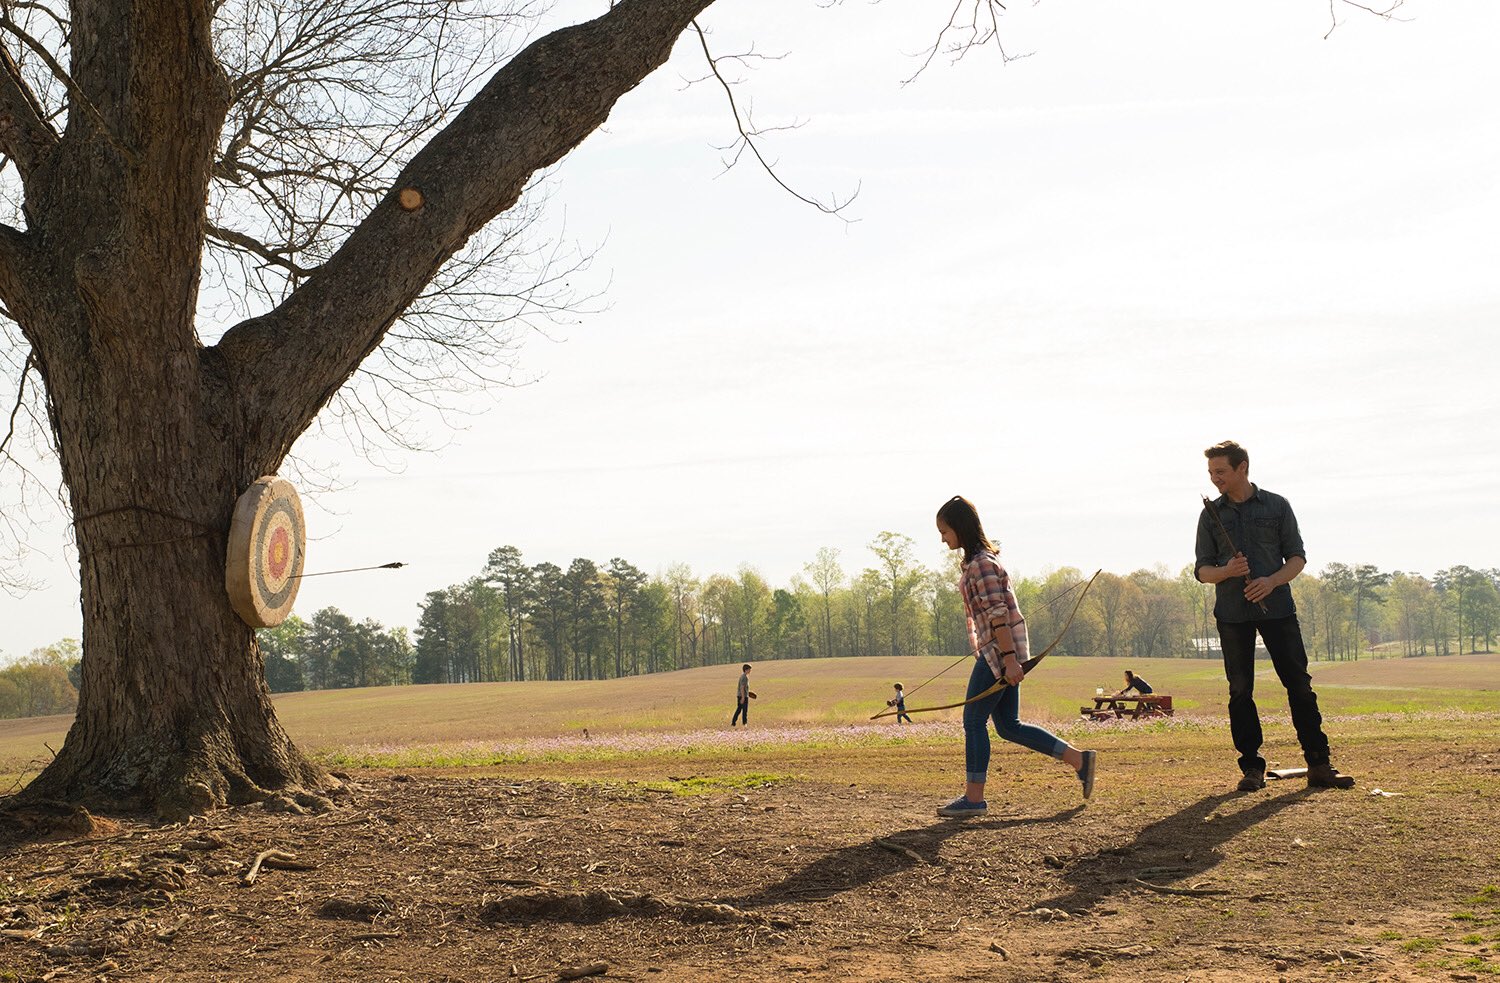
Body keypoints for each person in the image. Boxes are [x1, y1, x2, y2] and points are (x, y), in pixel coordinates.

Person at [1195, 440, 1355, 792]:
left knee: (1299, 684)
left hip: (1278, 608)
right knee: (1240, 690)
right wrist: (1228, 571)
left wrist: (1271, 581)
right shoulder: (1210, 515)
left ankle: (1319, 764)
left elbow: (1297, 558)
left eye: (1220, 471)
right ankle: (1251, 768)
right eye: (1210, 473)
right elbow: (1203, 571)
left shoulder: (1278, 505)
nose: (1214, 478)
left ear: (1242, 468)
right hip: (1233, 614)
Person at [934, 495, 1097, 818]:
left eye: (945, 531)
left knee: (973, 721)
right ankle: (1080, 760)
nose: (942, 538)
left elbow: (998, 615)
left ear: (960, 528)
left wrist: (1009, 659)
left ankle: (974, 798)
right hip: (1000, 653)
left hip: (998, 655)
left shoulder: (982, 563)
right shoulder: (978, 562)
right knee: (1008, 725)